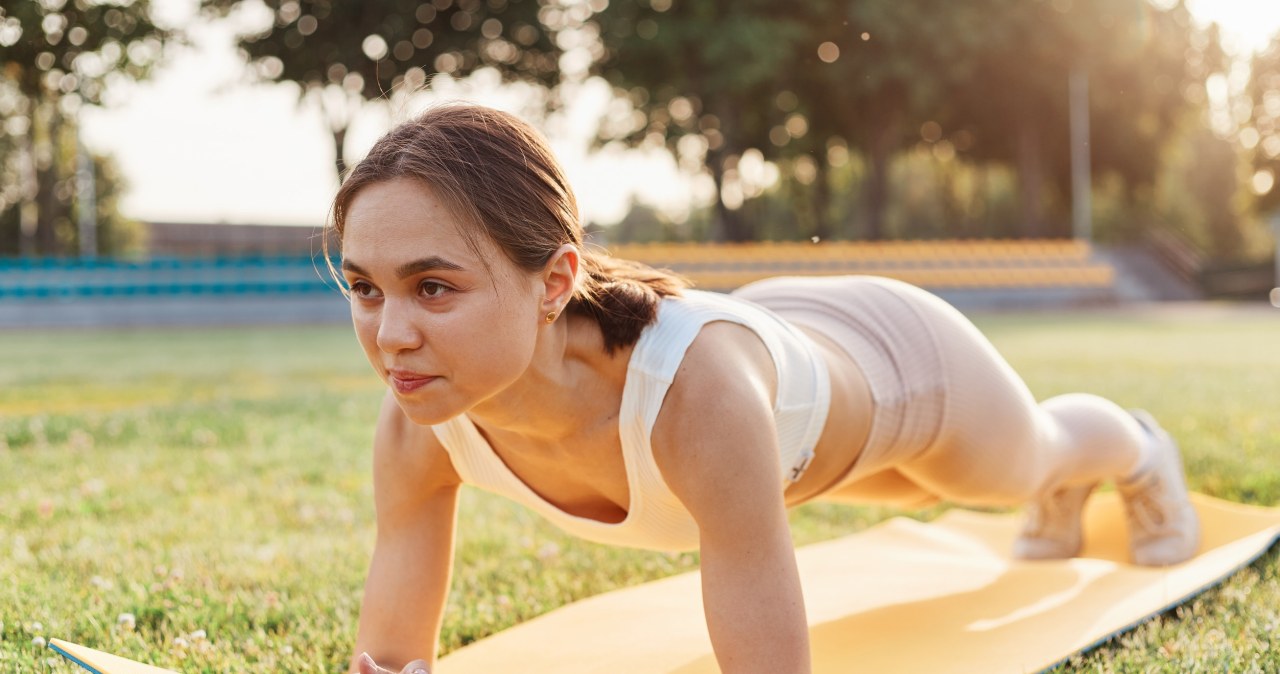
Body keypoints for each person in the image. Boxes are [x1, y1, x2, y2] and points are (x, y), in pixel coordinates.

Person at [331, 103, 1200, 674]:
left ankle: (1136, 447)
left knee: (1016, 465)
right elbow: (393, 653)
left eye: (433, 287)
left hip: (904, 364)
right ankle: (1060, 489)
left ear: (554, 282)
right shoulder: (420, 414)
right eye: (365, 287)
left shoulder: (690, 400)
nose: (390, 333)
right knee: (892, 490)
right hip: (786, 392)